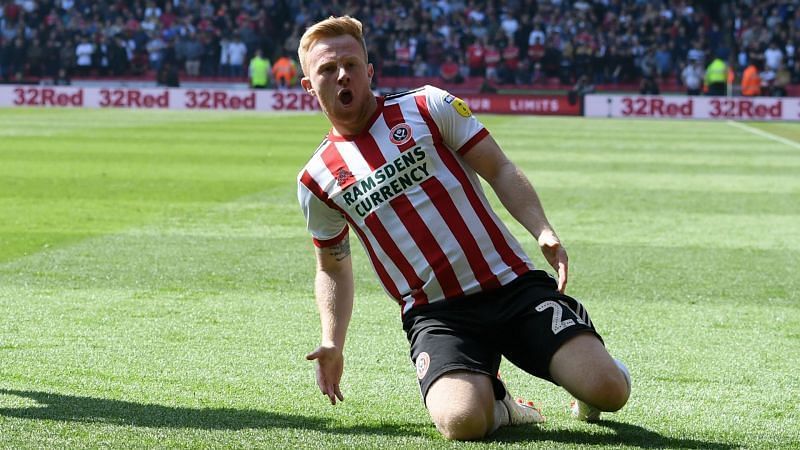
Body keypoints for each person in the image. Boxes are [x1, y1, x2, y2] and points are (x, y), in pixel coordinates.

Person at [296, 16, 631, 441]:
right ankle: (503, 405)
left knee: (609, 391)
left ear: (370, 71)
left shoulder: (426, 106)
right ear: (309, 86)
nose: (342, 75)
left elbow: (500, 168)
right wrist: (332, 341)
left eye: (352, 64)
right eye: (327, 69)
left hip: (511, 286)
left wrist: (542, 229)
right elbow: (332, 267)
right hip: (437, 315)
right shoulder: (316, 179)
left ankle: (593, 369)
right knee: (460, 423)